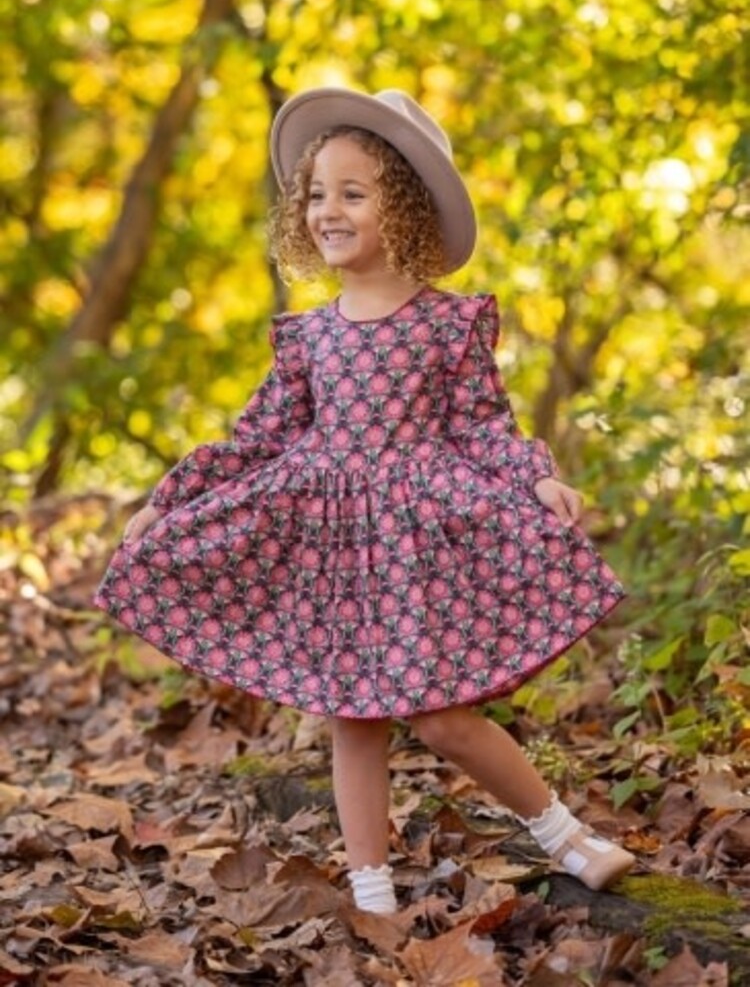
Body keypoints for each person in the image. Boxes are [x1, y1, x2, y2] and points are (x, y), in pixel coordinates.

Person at [94, 87, 635, 914]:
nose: (326, 211)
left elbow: (486, 427)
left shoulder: (449, 325)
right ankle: (371, 888)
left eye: (353, 193)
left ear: (406, 209)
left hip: (417, 544)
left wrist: (535, 477)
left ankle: (564, 835)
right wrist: (173, 497)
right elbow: (258, 438)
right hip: (332, 547)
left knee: (443, 716)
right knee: (354, 718)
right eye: (316, 194)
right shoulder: (308, 337)